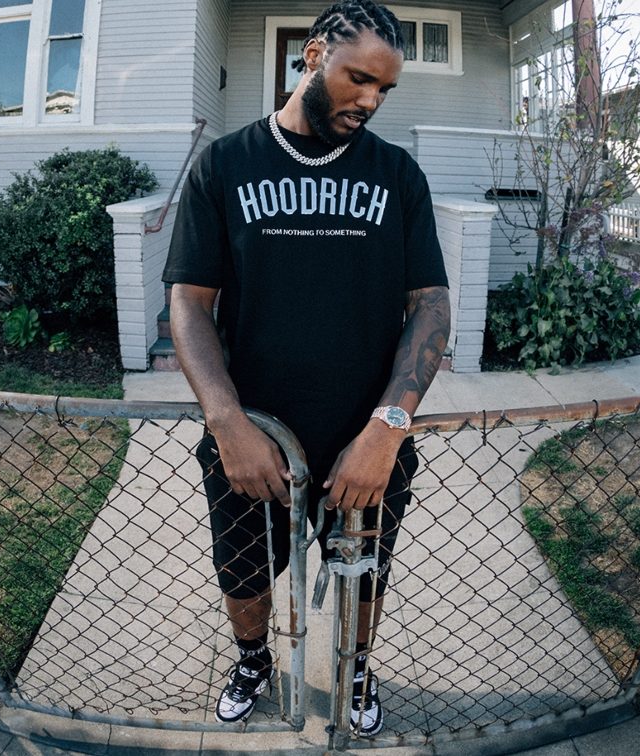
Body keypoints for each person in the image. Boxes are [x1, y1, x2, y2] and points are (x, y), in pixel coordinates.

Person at [162, 0, 450, 737]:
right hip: (253, 437)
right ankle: (253, 658)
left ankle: (356, 666)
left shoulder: (397, 174)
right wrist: (226, 423)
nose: (370, 100)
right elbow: (189, 303)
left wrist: (387, 430)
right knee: (244, 573)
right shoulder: (225, 165)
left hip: (364, 439)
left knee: (364, 576)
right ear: (315, 54)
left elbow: (429, 306)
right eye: (360, 79)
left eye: (384, 89)